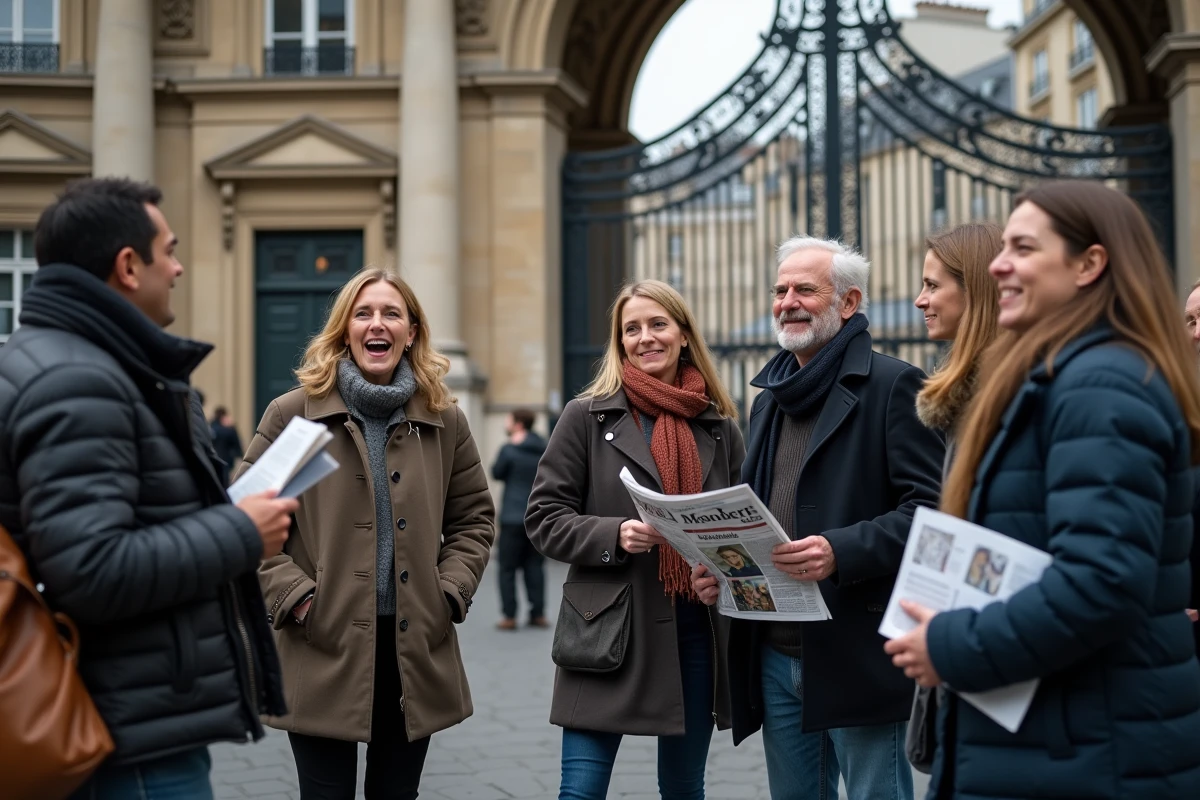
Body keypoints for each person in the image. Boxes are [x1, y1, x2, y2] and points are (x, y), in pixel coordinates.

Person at [885, 180, 1200, 799]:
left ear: (1090, 264)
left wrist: (952, 647)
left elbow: (1102, 583)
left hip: (1084, 748)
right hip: (1057, 736)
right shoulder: (1067, 376)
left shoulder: (1101, 386)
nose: (999, 264)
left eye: (1024, 249)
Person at [0, 178, 295, 799]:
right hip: (127, 739)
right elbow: (94, 567)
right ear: (129, 266)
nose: (181, 267)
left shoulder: (64, 361)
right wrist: (243, 531)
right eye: (170, 249)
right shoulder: (79, 380)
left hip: (123, 717)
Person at [691, 236, 945, 800]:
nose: (787, 301)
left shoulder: (894, 384)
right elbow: (759, 514)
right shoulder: (769, 399)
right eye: (780, 290)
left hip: (857, 645)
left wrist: (839, 550)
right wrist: (723, 567)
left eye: (805, 289)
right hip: (777, 651)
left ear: (849, 303)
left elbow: (931, 514)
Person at [238, 267, 496, 799]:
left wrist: (447, 594)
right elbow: (244, 521)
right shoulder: (295, 416)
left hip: (412, 647)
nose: (377, 324)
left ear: (412, 331)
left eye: (391, 314)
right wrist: (297, 598)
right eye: (364, 313)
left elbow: (474, 519)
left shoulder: (445, 420)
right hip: (322, 642)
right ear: (345, 330)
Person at [526, 279, 746, 800]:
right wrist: (613, 533)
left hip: (693, 628)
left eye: (657, 324)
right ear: (619, 341)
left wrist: (720, 565)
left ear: (683, 335)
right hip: (605, 630)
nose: (645, 337)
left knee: (684, 788)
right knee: (580, 791)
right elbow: (543, 518)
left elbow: (739, 527)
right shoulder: (586, 416)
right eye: (632, 329)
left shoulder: (720, 427)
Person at [907, 221, 1003, 773]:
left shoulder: (1002, 397)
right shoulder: (964, 397)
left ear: (976, 292)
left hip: (986, 646)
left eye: (933, 285)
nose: (921, 299)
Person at [491, 408, 549, 630]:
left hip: (513, 516)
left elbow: (497, 472)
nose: (506, 424)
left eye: (508, 420)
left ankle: (509, 616)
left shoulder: (509, 449)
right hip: (537, 516)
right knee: (535, 566)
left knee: (507, 568)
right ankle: (538, 613)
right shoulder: (543, 447)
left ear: (518, 424)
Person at [209, 405, 244, 486]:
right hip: (225, 460)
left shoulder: (211, 426)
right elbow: (236, 443)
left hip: (213, 458)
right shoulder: (229, 429)